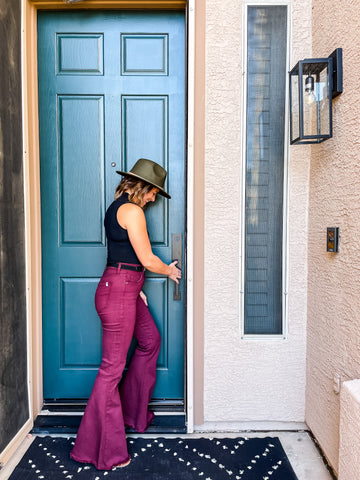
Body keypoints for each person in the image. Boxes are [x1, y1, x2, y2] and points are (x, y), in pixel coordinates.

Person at [70, 158, 181, 470]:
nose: (154, 198)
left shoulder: (116, 207)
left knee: (150, 341)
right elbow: (146, 258)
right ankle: (100, 450)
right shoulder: (132, 211)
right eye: (153, 191)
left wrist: (136, 286)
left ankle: (132, 415)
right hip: (119, 290)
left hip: (123, 287)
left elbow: (123, 255)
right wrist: (169, 271)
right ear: (142, 187)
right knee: (111, 370)